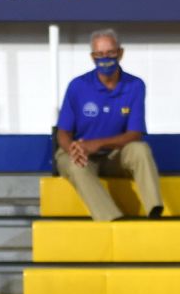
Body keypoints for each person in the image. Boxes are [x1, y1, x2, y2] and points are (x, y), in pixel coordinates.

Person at [54, 28, 164, 222]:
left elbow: (135, 134)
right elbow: (63, 131)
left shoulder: (135, 85)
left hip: (114, 155)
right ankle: (112, 219)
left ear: (120, 53)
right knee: (75, 163)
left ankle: (154, 210)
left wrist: (97, 144)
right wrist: (74, 149)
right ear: (92, 57)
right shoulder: (78, 86)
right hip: (81, 154)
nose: (105, 58)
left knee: (141, 149)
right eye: (100, 54)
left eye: (110, 53)